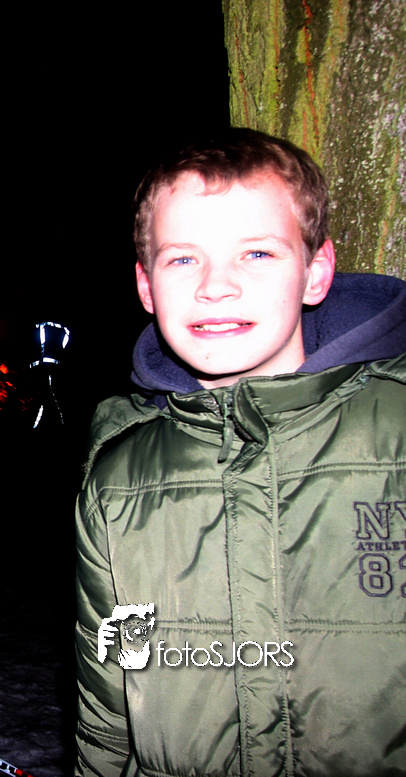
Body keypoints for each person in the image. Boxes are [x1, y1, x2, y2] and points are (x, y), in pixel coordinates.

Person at [74, 128, 406, 776]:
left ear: (315, 271)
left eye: (256, 253)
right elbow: (106, 708)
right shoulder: (118, 480)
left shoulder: (395, 435)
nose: (216, 286)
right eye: (182, 259)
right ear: (146, 286)